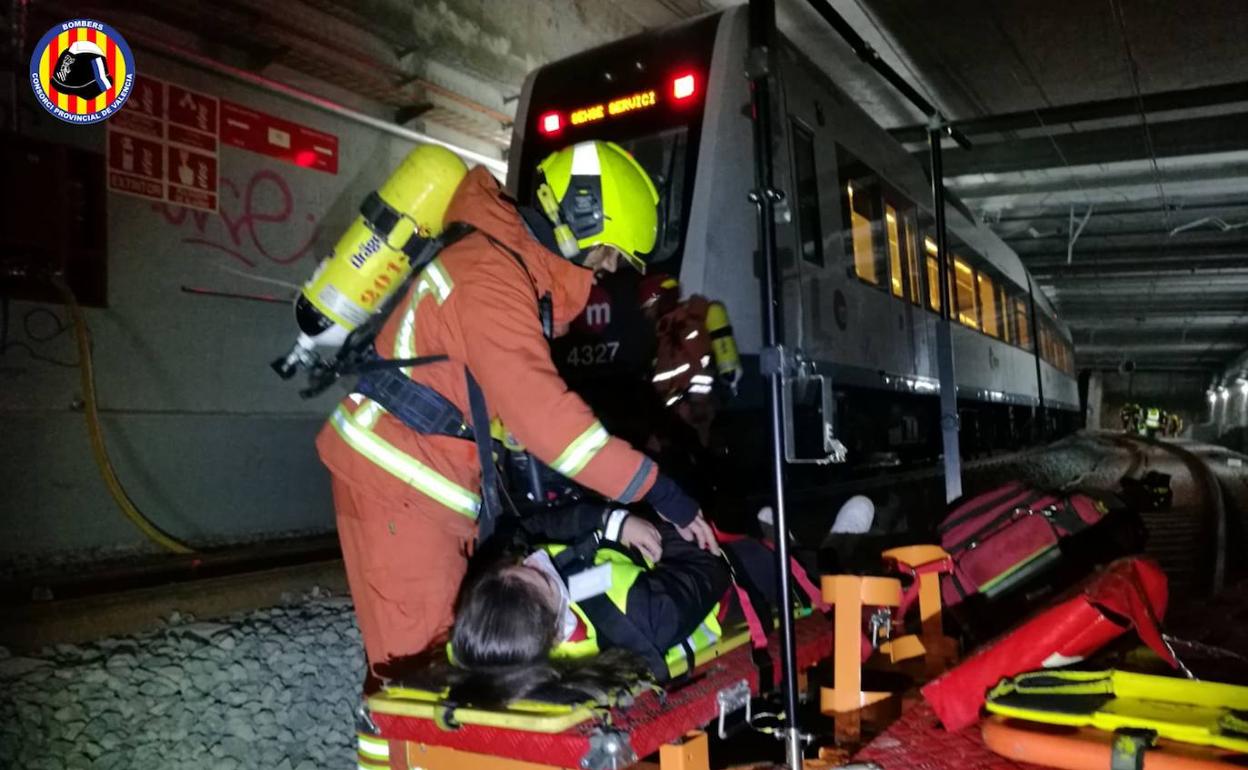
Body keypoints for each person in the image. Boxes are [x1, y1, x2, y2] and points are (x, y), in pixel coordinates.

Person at [316, 140, 718, 680]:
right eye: (610, 253)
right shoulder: (491, 276)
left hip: (410, 476)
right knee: (422, 674)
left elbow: (507, 414)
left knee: (430, 659)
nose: (606, 271)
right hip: (405, 484)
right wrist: (659, 491)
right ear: (583, 220)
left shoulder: (495, 263)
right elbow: (547, 422)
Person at [445, 505, 794, 707]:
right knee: (779, 562)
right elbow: (708, 563)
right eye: (540, 575)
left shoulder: (492, 635)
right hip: (724, 594)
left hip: (650, 569)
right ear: (553, 635)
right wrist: (660, 523)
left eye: (521, 565)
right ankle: (818, 545)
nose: (537, 559)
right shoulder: (638, 616)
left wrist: (613, 521)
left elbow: (523, 529)